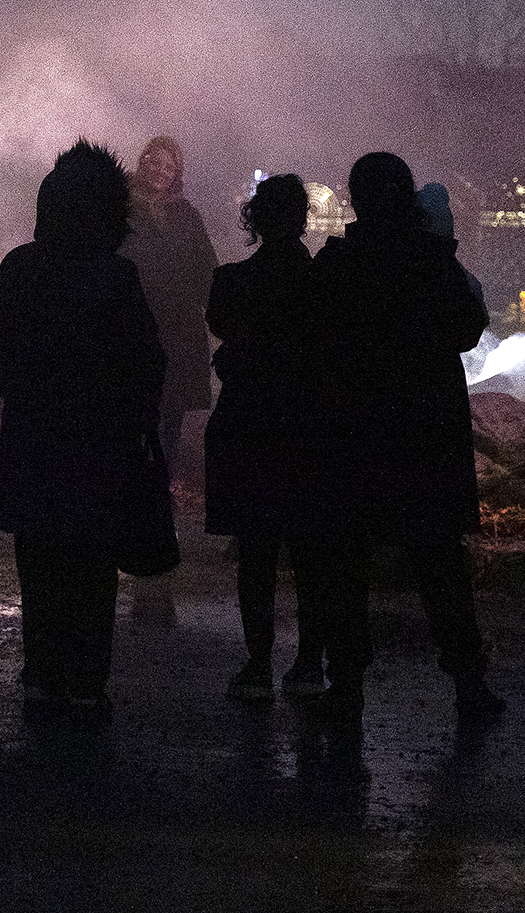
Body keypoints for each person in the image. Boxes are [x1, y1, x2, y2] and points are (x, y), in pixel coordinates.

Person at [299, 150, 503, 725]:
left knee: (346, 565)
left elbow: (312, 342)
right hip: (424, 433)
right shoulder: (432, 261)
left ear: (356, 198)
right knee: (440, 563)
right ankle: (467, 682)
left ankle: (346, 684)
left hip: (354, 435)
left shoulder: (337, 263)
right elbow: (466, 329)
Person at [0, 140, 170, 710]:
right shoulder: (118, 276)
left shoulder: (22, 267)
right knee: (92, 562)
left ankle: (42, 666)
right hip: (101, 446)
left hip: (35, 438)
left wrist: (24, 378)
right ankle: (87, 677)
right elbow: (148, 362)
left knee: (39, 558)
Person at [204, 173, 327, 701]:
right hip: (306, 430)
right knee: (310, 552)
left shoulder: (231, 282)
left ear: (255, 219)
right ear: (302, 219)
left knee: (256, 552)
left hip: (249, 425)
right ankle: (308, 664)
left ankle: (257, 664)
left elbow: (227, 344)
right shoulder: (322, 282)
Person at [119, 134, 220, 472]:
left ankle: (159, 491)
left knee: (169, 417)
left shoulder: (187, 217)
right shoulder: (119, 208)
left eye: (169, 166)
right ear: (142, 161)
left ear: (177, 172)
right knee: (129, 412)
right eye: (155, 162)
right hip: (130, 328)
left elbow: (206, 268)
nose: (161, 171)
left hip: (176, 334)